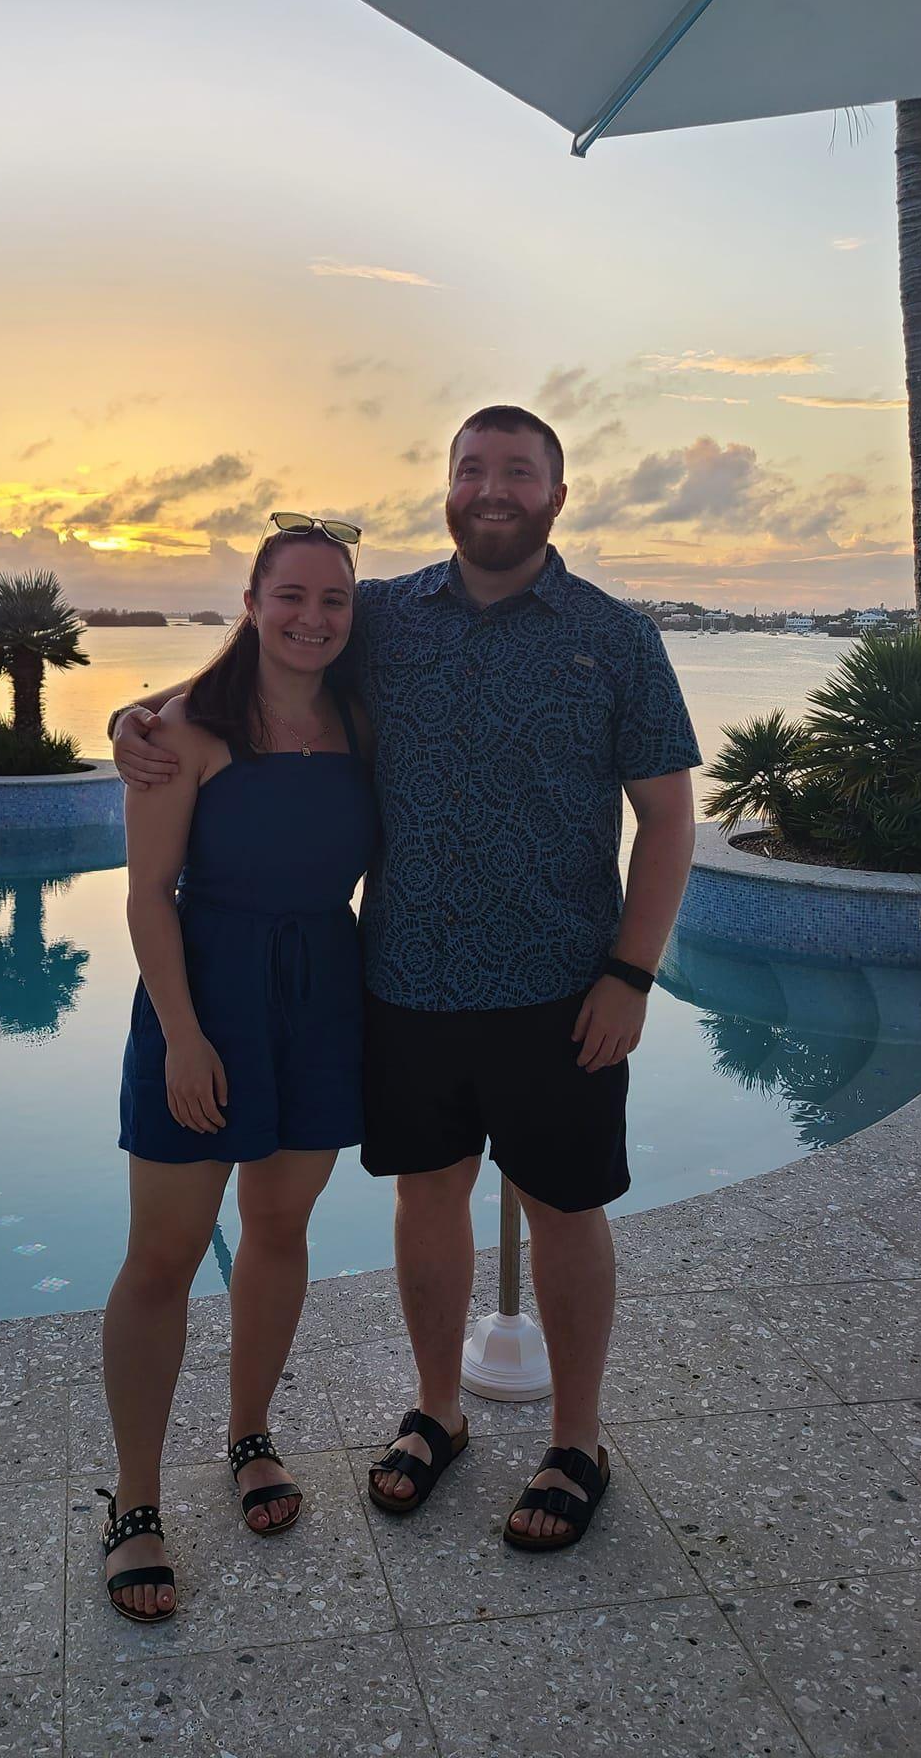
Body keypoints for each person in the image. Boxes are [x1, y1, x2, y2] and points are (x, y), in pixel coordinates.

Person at [112, 406, 700, 1553]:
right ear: (447, 488)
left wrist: (631, 972)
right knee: (423, 1199)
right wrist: (139, 719)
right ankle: (436, 1410)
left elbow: (669, 818)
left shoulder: (616, 635)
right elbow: (266, 656)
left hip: (558, 987)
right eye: (473, 467)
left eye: (517, 470)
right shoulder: (385, 612)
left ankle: (574, 1439)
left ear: (555, 495)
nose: (493, 487)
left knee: (564, 1209)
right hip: (402, 984)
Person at [95, 518, 376, 1624]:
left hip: (322, 996)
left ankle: (249, 1432)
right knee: (162, 1256)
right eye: (289, 595)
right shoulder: (181, 732)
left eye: (333, 599)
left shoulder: (363, 715)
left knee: (280, 1225)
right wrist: (182, 1035)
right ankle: (135, 1500)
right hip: (204, 1002)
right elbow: (144, 896)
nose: (312, 616)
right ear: (252, 603)